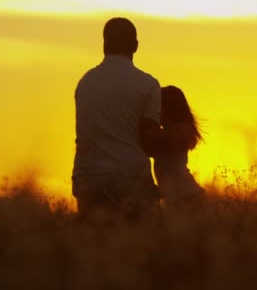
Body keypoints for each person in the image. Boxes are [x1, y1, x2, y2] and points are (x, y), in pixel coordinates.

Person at [72, 17, 161, 219]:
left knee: (92, 245)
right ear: (135, 45)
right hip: (130, 176)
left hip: (88, 176)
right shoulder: (148, 84)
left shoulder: (85, 82)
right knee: (138, 243)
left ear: (104, 44)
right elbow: (150, 138)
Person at [151, 86, 205, 204]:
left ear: (169, 109)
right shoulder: (175, 131)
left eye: (158, 108)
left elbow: (150, 144)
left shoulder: (177, 132)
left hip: (186, 196)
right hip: (183, 196)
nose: (155, 112)